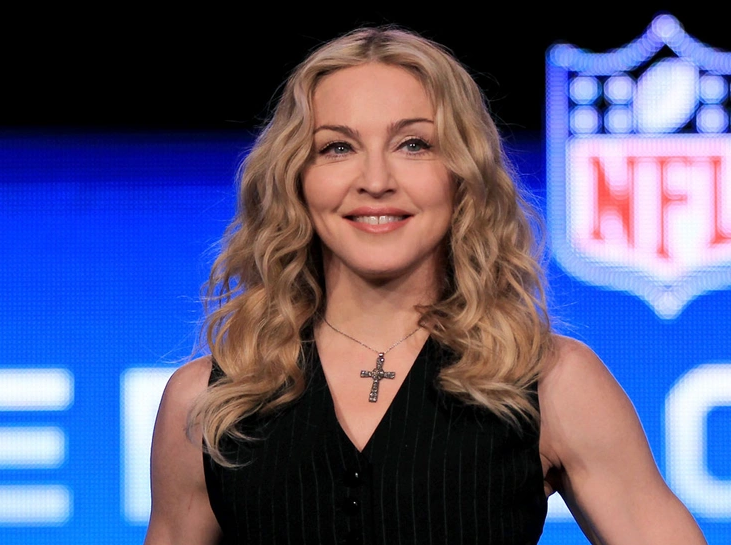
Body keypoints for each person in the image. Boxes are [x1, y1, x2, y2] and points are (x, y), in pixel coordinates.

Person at [143, 27, 707, 545]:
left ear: (462, 172)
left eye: (413, 144)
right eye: (337, 147)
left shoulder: (555, 385)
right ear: (297, 178)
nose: (375, 181)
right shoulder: (209, 404)